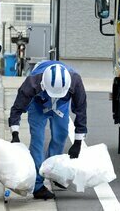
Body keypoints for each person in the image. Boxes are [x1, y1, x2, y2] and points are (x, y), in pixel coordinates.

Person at [8, 60, 87, 200]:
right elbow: (17, 108)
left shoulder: (75, 80)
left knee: (61, 134)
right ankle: (38, 186)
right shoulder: (32, 82)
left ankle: (54, 172)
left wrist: (78, 142)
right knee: (38, 140)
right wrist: (15, 133)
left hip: (61, 106)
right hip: (38, 105)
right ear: (43, 84)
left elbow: (81, 110)